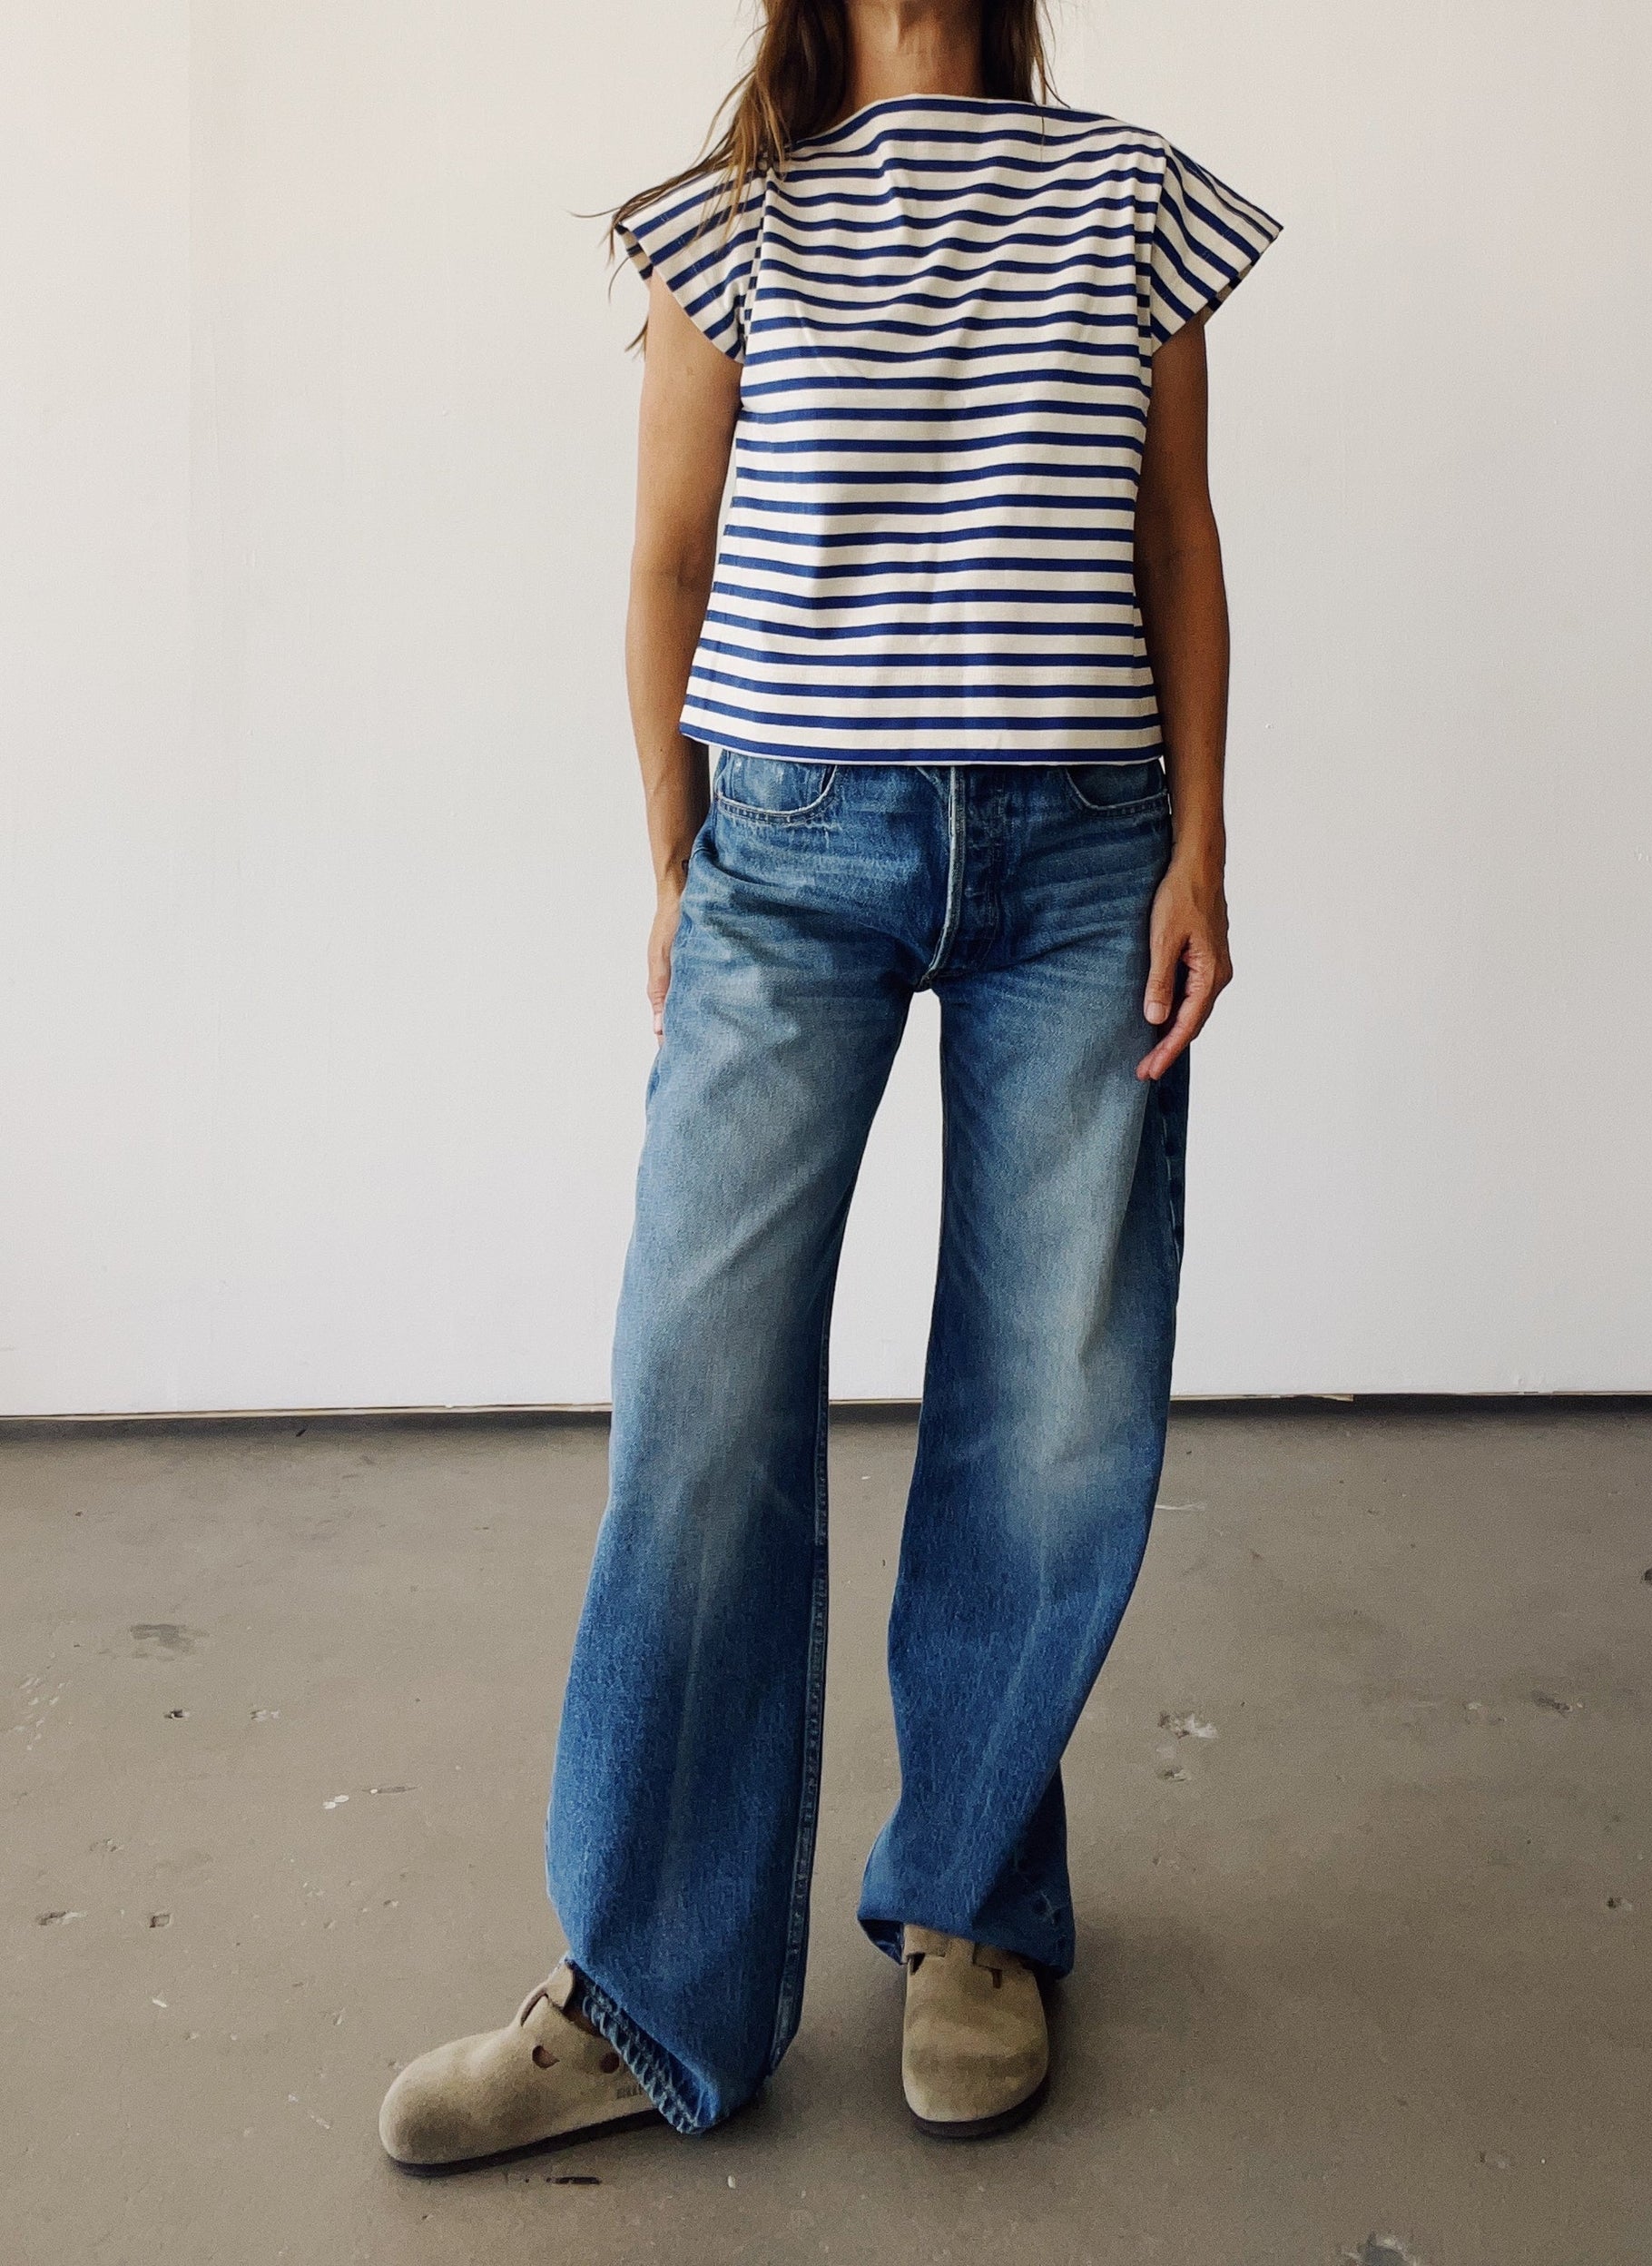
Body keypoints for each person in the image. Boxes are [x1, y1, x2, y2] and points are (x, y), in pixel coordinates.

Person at [379, 0, 1279, 2171]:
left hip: (1081, 863)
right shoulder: (733, 217)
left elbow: (1177, 540)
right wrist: (678, 864)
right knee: (697, 1402)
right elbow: (669, 563)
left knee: (1046, 1418)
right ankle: (646, 1988)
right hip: (789, 857)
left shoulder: (1132, 194)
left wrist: (1202, 844)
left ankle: (973, 1907)